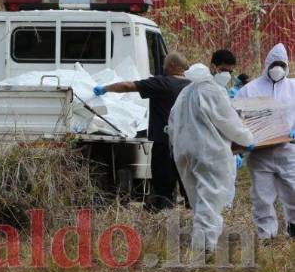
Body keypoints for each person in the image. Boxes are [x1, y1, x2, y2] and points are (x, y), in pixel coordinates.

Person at [168, 64, 254, 256]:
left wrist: (176, 146)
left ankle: (201, 243)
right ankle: (205, 248)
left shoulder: (184, 93)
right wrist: (247, 139)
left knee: (196, 199)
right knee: (210, 199)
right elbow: (228, 121)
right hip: (208, 153)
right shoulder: (212, 91)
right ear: (211, 72)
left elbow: (171, 122)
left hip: (183, 152)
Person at [93, 52, 190, 211]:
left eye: (165, 63)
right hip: (188, 144)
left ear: (172, 66)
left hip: (165, 143)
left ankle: (163, 219)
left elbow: (128, 86)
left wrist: (104, 88)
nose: (163, 66)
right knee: (189, 187)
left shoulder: (162, 83)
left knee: (163, 187)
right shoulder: (191, 85)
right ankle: (192, 221)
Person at [235, 43, 295, 239]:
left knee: (293, 191)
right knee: (262, 196)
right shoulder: (249, 90)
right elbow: (236, 117)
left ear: (286, 65)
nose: (277, 68)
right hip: (259, 153)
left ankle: (293, 227)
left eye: (281, 64)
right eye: (274, 64)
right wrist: (243, 139)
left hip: (288, 150)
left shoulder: (293, 87)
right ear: (267, 64)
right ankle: (266, 234)